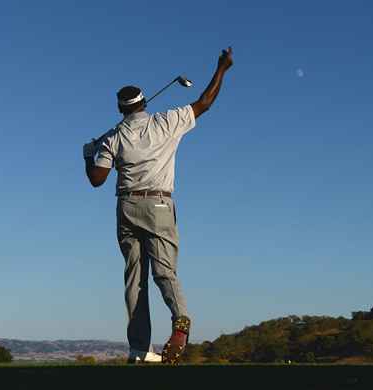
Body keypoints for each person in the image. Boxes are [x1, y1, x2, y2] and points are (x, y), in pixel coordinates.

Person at [82, 47, 233, 364]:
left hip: (126, 208)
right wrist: (222, 69)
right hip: (159, 205)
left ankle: (138, 349)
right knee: (165, 272)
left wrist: (88, 154)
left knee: (134, 279)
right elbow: (205, 102)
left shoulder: (112, 139)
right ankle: (180, 321)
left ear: (120, 109)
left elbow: (97, 179)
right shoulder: (167, 121)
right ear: (144, 103)